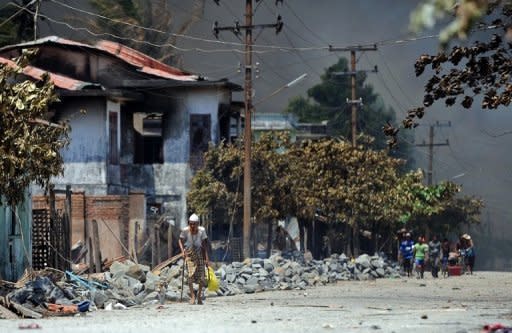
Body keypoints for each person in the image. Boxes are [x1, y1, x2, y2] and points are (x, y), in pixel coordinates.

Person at [179, 213, 209, 305]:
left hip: (199, 253)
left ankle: (199, 296)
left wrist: (206, 259)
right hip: (189, 254)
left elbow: (204, 245)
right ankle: (192, 296)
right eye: (191, 223)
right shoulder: (185, 231)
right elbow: (180, 240)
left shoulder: (202, 231)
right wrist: (182, 251)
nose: (192, 226)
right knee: (190, 276)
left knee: (201, 276)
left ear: (198, 224)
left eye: (194, 224)